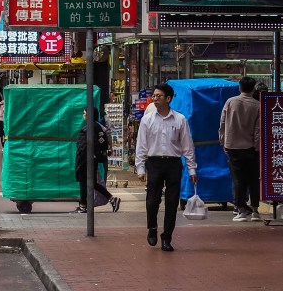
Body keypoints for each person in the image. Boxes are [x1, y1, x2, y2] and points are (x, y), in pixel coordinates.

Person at [135, 83, 197, 252]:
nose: (155, 99)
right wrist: (140, 168)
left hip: (173, 164)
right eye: (153, 96)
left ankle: (167, 237)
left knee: (172, 202)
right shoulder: (147, 120)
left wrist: (191, 169)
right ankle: (152, 228)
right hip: (154, 163)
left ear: (168, 99)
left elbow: (187, 146)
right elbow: (141, 145)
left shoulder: (180, 119)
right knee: (152, 200)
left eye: (158, 96)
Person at [219, 76, 261, 222]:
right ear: (253, 88)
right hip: (251, 148)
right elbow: (258, 130)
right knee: (254, 179)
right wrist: (257, 147)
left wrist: (223, 141)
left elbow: (223, 123)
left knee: (238, 180)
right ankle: (255, 210)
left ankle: (241, 210)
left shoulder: (231, 102)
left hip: (233, 146)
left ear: (240, 87)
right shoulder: (257, 105)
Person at [73, 107, 120, 214]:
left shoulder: (87, 128)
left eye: (85, 113)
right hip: (92, 160)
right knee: (92, 183)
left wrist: (79, 163)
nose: (83, 115)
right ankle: (112, 199)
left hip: (85, 161)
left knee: (84, 184)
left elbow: (84, 147)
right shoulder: (98, 126)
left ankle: (83, 206)